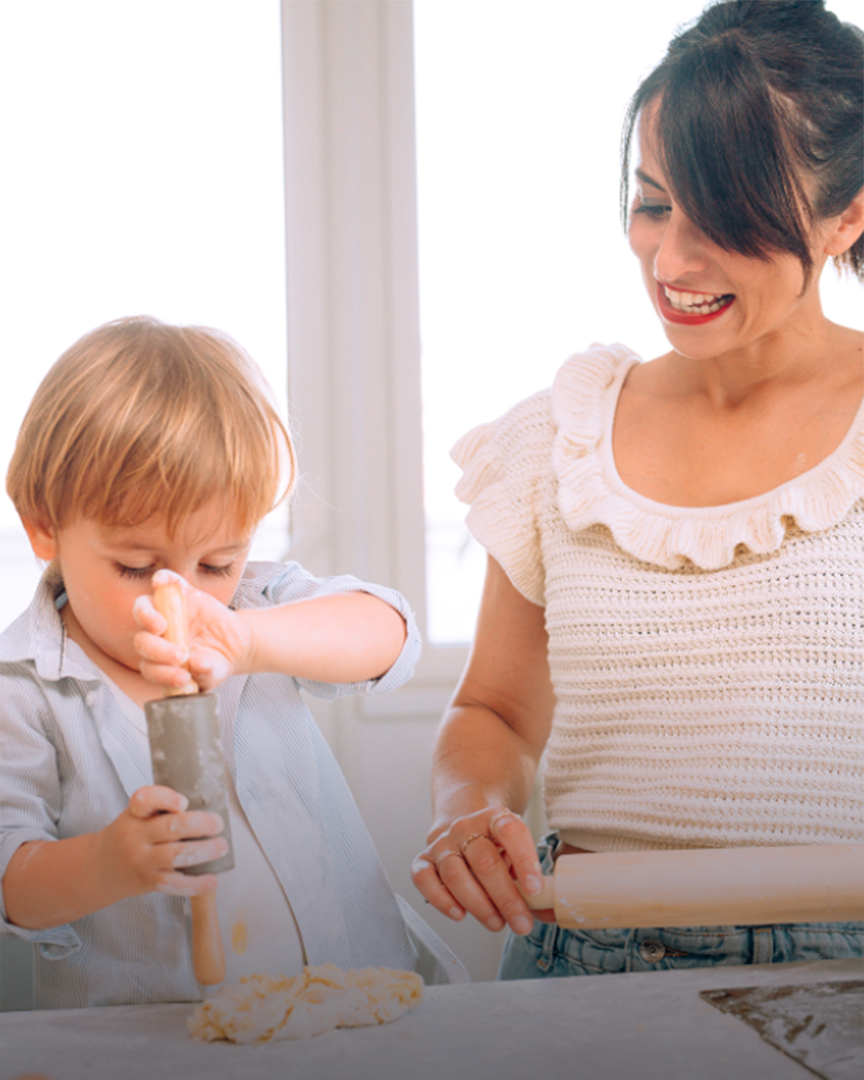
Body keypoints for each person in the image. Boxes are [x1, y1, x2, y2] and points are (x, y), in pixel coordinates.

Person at [412, 0, 864, 979]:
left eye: (728, 218)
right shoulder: (558, 436)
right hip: (581, 961)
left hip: (841, 976)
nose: (672, 261)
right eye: (655, 204)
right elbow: (495, 711)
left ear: (848, 216)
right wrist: (468, 810)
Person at [0, 316, 459, 1009]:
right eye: (135, 566)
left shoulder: (257, 608)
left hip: (349, 1006)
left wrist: (250, 640)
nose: (184, 596)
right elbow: (12, 883)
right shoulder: (24, 688)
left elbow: (391, 635)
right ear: (44, 525)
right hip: (153, 1044)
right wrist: (107, 862)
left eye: (216, 562)